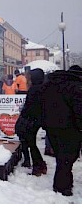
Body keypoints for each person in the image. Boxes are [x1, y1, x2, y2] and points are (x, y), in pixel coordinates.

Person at [39, 67, 82, 196]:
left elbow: (41, 105)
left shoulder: (49, 85)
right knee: (67, 157)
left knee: (61, 156)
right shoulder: (76, 87)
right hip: (70, 128)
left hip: (51, 128)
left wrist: (44, 124)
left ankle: (64, 183)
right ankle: (62, 187)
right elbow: (79, 110)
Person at [15, 69, 47, 176]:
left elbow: (29, 107)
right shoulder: (43, 88)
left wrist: (23, 112)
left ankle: (38, 166)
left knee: (31, 144)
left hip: (31, 120)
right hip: (36, 119)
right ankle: (40, 164)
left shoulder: (34, 89)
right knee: (32, 143)